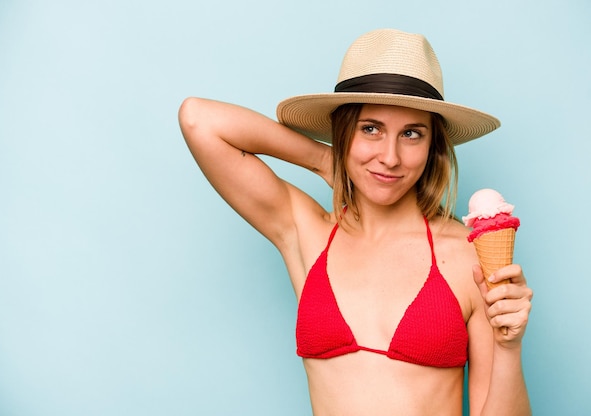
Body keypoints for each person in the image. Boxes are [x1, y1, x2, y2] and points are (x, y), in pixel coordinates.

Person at [178, 28, 533, 416]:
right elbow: (199, 119)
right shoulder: (307, 233)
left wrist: (508, 347)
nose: (390, 157)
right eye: (370, 129)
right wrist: (323, 159)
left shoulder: (468, 257)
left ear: (433, 146)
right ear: (343, 132)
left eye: (412, 134)